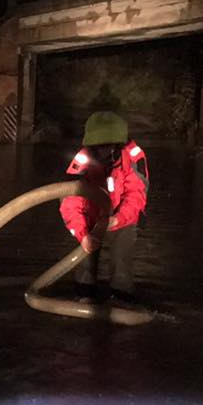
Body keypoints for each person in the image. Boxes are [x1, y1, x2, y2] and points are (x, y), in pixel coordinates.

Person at [59, 111, 149, 303]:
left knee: (121, 262)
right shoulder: (81, 161)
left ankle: (121, 301)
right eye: (98, 147)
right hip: (91, 217)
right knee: (85, 262)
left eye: (107, 146)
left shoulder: (133, 157)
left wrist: (119, 218)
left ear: (118, 144)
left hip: (122, 216)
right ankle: (84, 298)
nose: (103, 152)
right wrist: (82, 234)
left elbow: (137, 195)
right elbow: (69, 200)